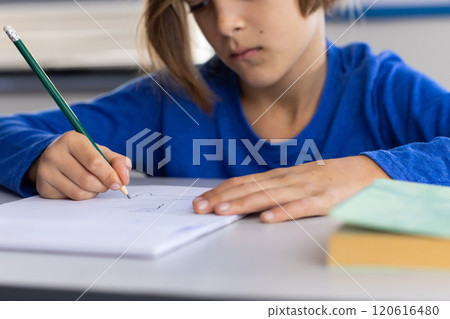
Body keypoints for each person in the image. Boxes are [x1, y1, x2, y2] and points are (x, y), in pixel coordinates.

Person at [0, 0, 448, 223]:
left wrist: (371, 171)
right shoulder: (172, 98)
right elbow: (8, 130)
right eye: (199, 3)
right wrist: (42, 156)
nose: (225, 23)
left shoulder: (382, 89)